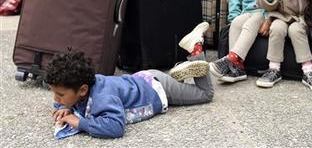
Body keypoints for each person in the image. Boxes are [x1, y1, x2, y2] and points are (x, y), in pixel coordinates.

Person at [45, 22, 214, 139]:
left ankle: (195, 50)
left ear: (82, 90)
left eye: (60, 95)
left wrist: (80, 122)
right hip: (145, 79)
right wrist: (64, 107)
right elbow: (67, 101)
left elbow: (115, 127)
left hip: (159, 88)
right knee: (183, 90)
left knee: (205, 94)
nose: (56, 100)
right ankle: (181, 72)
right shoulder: (84, 84)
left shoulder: (103, 99)